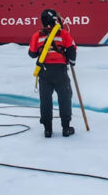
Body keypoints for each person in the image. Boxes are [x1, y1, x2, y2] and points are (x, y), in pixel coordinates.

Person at [29, 9, 77, 138]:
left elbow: (32, 54)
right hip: (60, 72)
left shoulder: (37, 35)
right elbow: (72, 50)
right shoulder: (63, 34)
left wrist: (42, 50)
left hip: (44, 72)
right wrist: (71, 61)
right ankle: (66, 128)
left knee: (45, 101)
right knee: (65, 98)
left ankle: (47, 130)